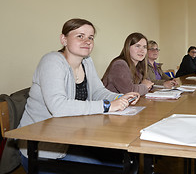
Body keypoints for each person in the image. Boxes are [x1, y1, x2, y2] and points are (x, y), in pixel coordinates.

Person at [18, 18, 140, 172]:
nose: (87, 41)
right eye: (80, 36)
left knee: (126, 163)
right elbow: (58, 107)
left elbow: (98, 91)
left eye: (91, 37)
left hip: (72, 138)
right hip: (42, 148)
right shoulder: (52, 61)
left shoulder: (87, 62)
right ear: (64, 39)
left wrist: (119, 98)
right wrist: (107, 106)